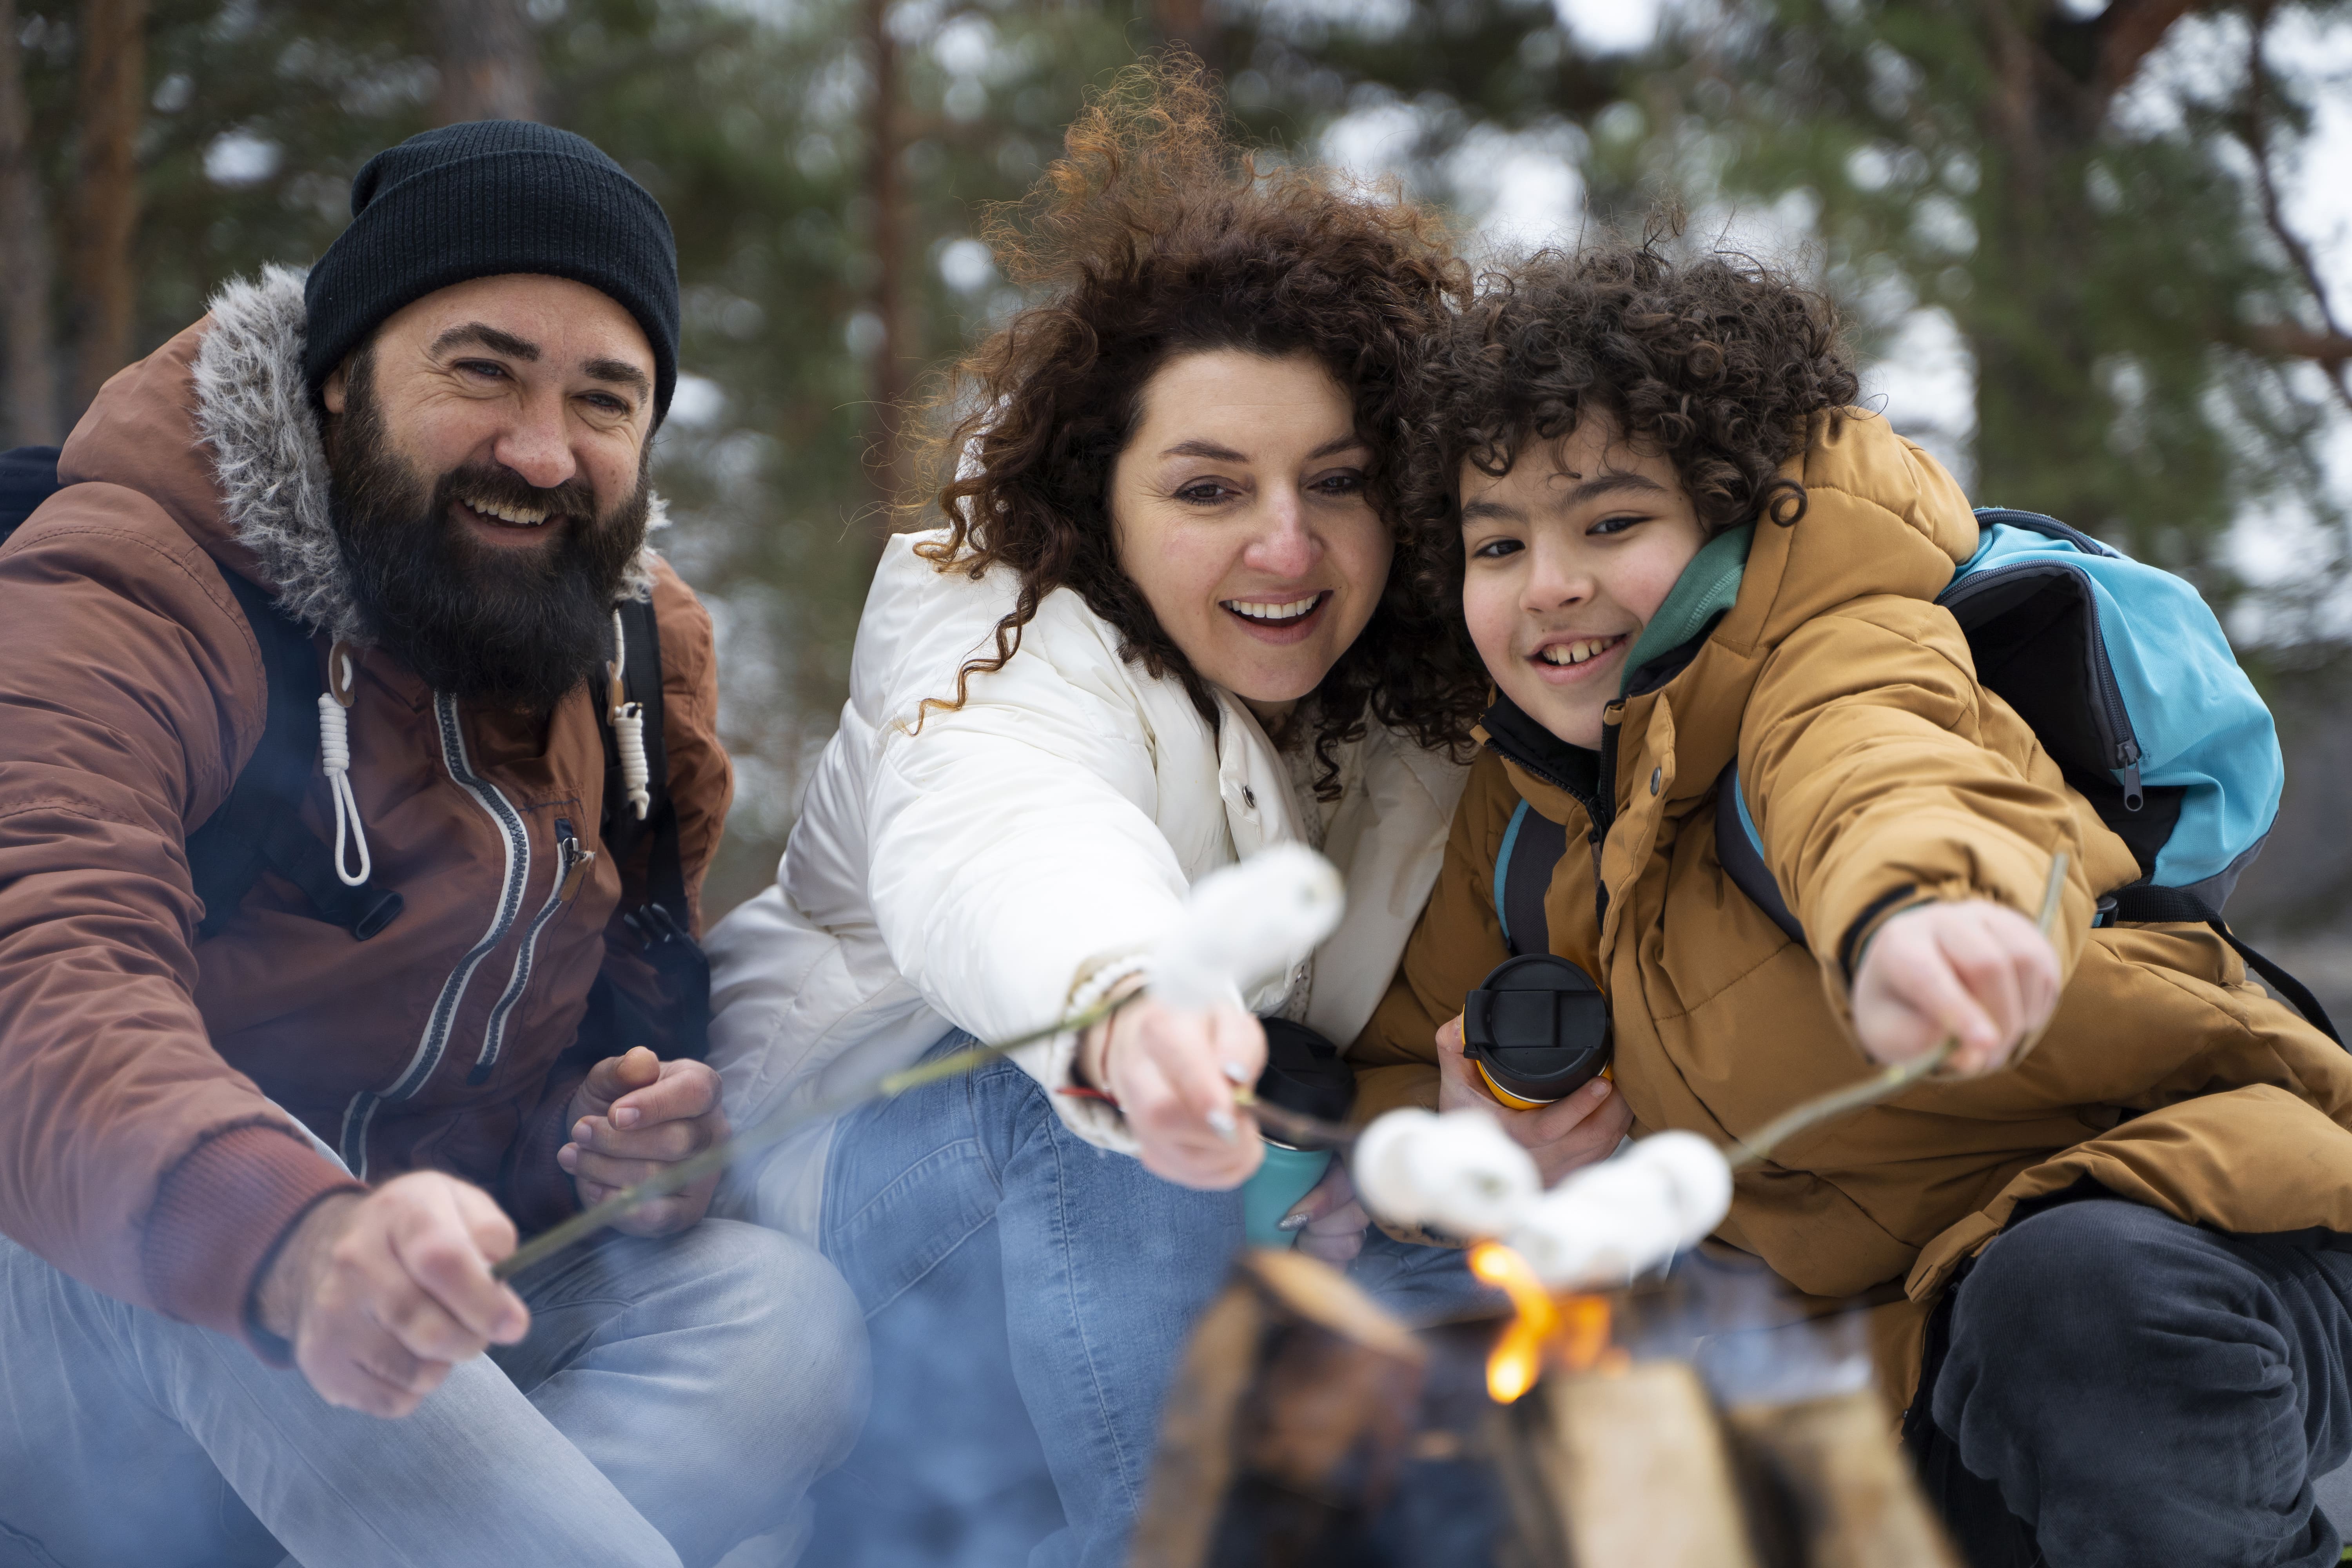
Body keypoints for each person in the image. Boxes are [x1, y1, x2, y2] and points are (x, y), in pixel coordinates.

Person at [702, 60, 1632, 1568]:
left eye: (1336, 482)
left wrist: (1436, 1141)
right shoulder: (992, 624)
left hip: (1196, 1221)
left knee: (1472, 1287)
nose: (1288, 546)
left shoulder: (1419, 705)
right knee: (1106, 1110)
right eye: (1210, 491)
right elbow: (1005, 838)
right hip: (862, 1198)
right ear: (1101, 502)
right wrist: (1125, 1007)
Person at [1354, 232, 2352, 1567]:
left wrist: (1919, 917)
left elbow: (1885, 777)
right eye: (1498, 543)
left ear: (1730, 518)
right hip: (1911, 1353)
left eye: (1612, 524)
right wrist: (1459, 1147)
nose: (1550, 585)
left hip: (2209, 1236)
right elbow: (1391, 1063)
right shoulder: (1526, 810)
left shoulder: (1837, 650)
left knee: (2072, 1308)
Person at [0, 121, 860, 1568]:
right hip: (85, 1320)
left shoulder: (635, 668)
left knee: (777, 1319)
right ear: (342, 376)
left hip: (404, 1341)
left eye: (604, 398)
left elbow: (578, 1048)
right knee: (232, 1194)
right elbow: (37, 972)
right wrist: (299, 1239)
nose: (541, 449)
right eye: (483, 372)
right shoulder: (129, 580)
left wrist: (611, 1140)